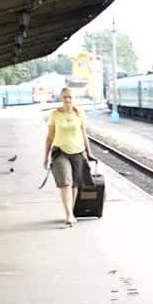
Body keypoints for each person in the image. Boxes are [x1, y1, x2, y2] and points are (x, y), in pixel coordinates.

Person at [43, 87, 93, 226]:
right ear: (61, 98)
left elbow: (84, 134)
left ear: (73, 98)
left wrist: (89, 153)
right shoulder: (55, 114)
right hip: (60, 152)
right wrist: (45, 156)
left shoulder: (80, 113)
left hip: (78, 151)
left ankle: (71, 211)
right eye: (65, 97)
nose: (67, 99)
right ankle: (69, 215)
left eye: (70, 97)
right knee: (66, 183)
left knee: (75, 184)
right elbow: (50, 136)